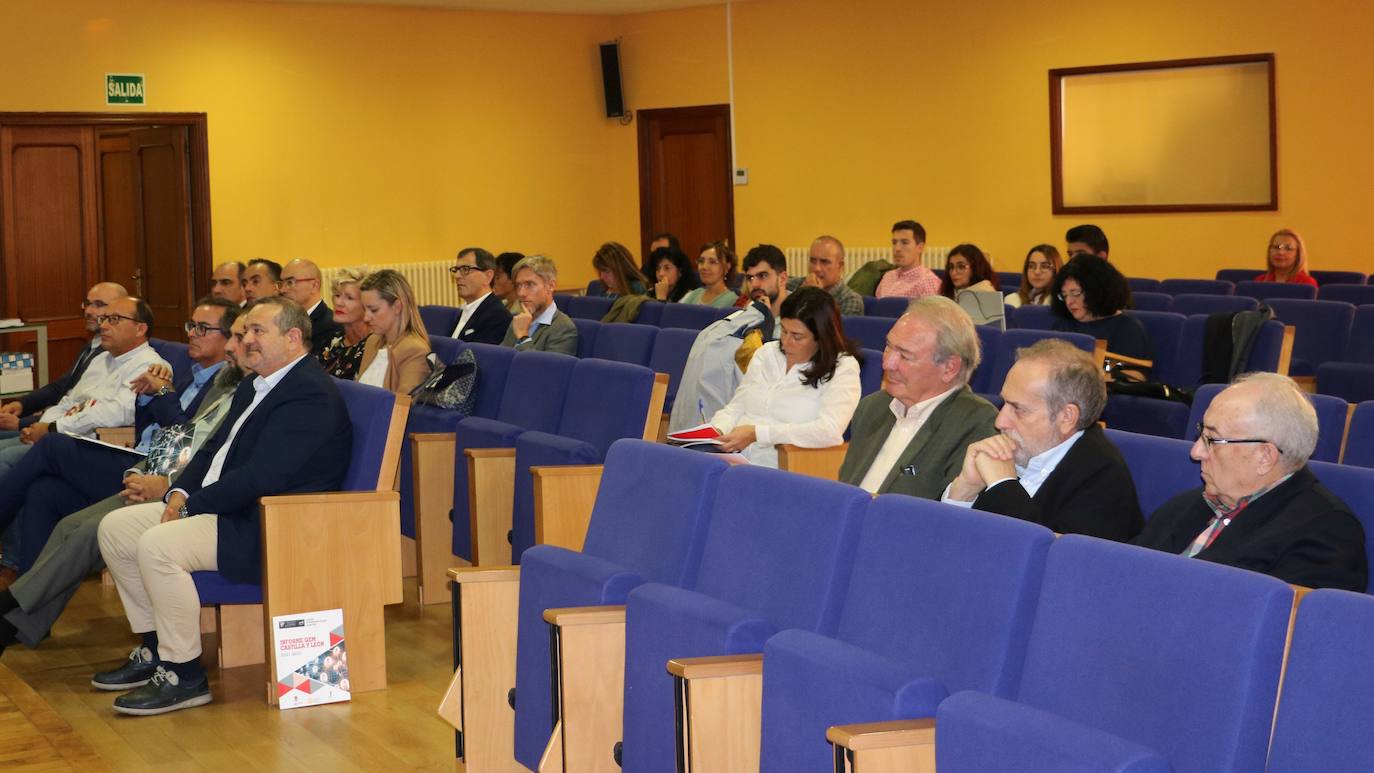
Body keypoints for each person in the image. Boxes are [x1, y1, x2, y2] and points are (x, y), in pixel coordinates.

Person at [93, 296, 353, 715]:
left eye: (257, 331)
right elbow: (212, 449)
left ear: (291, 338)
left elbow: (263, 477)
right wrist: (178, 493)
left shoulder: (309, 395)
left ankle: (185, 675)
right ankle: (157, 648)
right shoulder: (256, 383)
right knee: (117, 529)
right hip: (230, 506)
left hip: (271, 522)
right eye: (245, 330)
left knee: (159, 545)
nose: (246, 340)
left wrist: (193, 504)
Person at [0, 314, 249, 656]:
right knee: (47, 494)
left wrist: (166, 481)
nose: (192, 334)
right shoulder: (200, 374)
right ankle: (21, 621)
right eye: (190, 325)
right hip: (150, 464)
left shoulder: (232, 384)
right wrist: (140, 459)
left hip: (178, 484)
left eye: (205, 329)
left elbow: (193, 442)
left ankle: (9, 604)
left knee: (59, 459)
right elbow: (164, 431)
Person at [1133, 373, 1366, 591]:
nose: (1196, 452)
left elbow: (1276, 626)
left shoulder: (1326, 533)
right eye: (1200, 434)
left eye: (1212, 439)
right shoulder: (1187, 505)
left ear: (1264, 457)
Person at [942, 339, 1143, 541]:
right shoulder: (1022, 448)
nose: (1000, 421)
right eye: (1004, 403)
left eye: (1018, 409)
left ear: (1067, 417)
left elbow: (1049, 559)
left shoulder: (1103, 480)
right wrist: (965, 489)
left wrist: (1002, 485)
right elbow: (938, 542)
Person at [838, 296, 998, 497]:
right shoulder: (872, 407)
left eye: (905, 356)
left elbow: (951, 516)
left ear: (949, 367)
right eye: (889, 346)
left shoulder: (975, 423)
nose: (887, 363)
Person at [707, 287, 861, 467]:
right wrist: (716, 429)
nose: (786, 342)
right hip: (735, 460)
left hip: (785, 467)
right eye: (784, 331)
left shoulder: (842, 367)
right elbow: (737, 405)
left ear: (822, 337)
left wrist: (758, 434)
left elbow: (829, 431)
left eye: (797, 336)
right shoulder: (767, 354)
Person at [0, 282, 128, 433]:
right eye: (87, 304)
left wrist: (23, 423)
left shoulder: (114, 353)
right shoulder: (92, 345)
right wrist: (22, 405)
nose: (88, 311)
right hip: (54, 421)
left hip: (69, 431)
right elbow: (63, 386)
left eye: (98, 305)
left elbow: (86, 410)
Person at [1050, 255, 1154, 377]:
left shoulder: (1127, 328)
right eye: (1064, 295)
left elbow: (1135, 374)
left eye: (1075, 293)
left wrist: (1099, 366)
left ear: (1096, 291)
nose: (1069, 302)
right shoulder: (1063, 325)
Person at [356, 269, 433, 395]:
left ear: (397, 307)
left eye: (374, 310)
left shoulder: (415, 350)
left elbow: (401, 409)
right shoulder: (372, 341)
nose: (366, 318)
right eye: (364, 309)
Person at [501, 255, 577, 355]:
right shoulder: (519, 319)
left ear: (551, 286)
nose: (521, 293)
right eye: (518, 285)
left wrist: (523, 336)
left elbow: (546, 369)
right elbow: (502, 357)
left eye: (529, 284)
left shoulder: (563, 328)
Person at [448, 247, 514, 344]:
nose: (457, 276)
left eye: (465, 269)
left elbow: (477, 357)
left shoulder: (497, 316)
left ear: (488, 276)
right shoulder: (465, 309)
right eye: (456, 270)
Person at [318, 268, 373, 380]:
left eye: (349, 298)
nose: (338, 303)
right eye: (337, 295)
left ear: (367, 304)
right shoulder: (333, 341)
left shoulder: (375, 345)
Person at [787, 235, 864, 316]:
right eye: (813, 261)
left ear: (840, 266)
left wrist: (814, 298)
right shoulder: (797, 285)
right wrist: (799, 294)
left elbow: (830, 328)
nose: (817, 268)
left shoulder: (850, 300)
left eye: (824, 262)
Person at [279, 259, 342, 356]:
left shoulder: (332, 326)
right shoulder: (282, 323)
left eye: (290, 282)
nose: (282, 290)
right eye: (281, 284)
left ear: (314, 286)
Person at [875, 220, 941, 299]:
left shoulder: (927, 281)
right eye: (894, 243)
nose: (897, 248)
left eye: (905, 243)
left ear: (920, 247)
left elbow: (932, 311)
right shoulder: (888, 276)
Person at [680, 242, 738, 308]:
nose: (704, 267)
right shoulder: (694, 294)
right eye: (701, 261)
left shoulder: (732, 301)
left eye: (712, 262)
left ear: (727, 267)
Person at [738, 244, 790, 316]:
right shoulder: (746, 314)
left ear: (782, 279)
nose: (754, 284)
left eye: (762, 276)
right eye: (750, 278)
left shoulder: (800, 316)